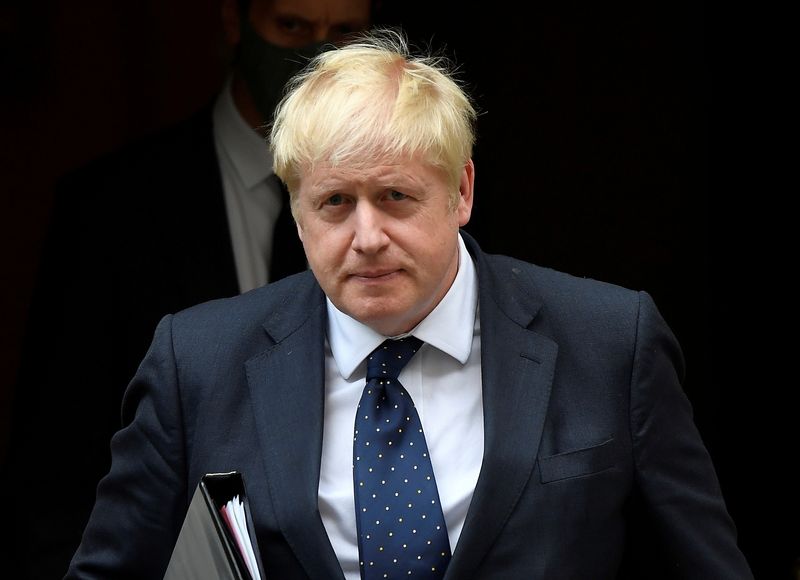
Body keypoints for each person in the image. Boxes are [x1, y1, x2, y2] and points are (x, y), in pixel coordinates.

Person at [66, 29, 752, 579]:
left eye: (395, 196)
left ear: (461, 192)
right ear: (298, 215)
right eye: (335, 203)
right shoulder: (200, 364)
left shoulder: (609, 343)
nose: (367, 237)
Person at [2, 1, 373, 578]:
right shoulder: (111, 211)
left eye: (344, 31)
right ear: (234, 22)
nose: (313, 55)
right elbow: (54, 472)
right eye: (291, 26)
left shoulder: (408, 210)